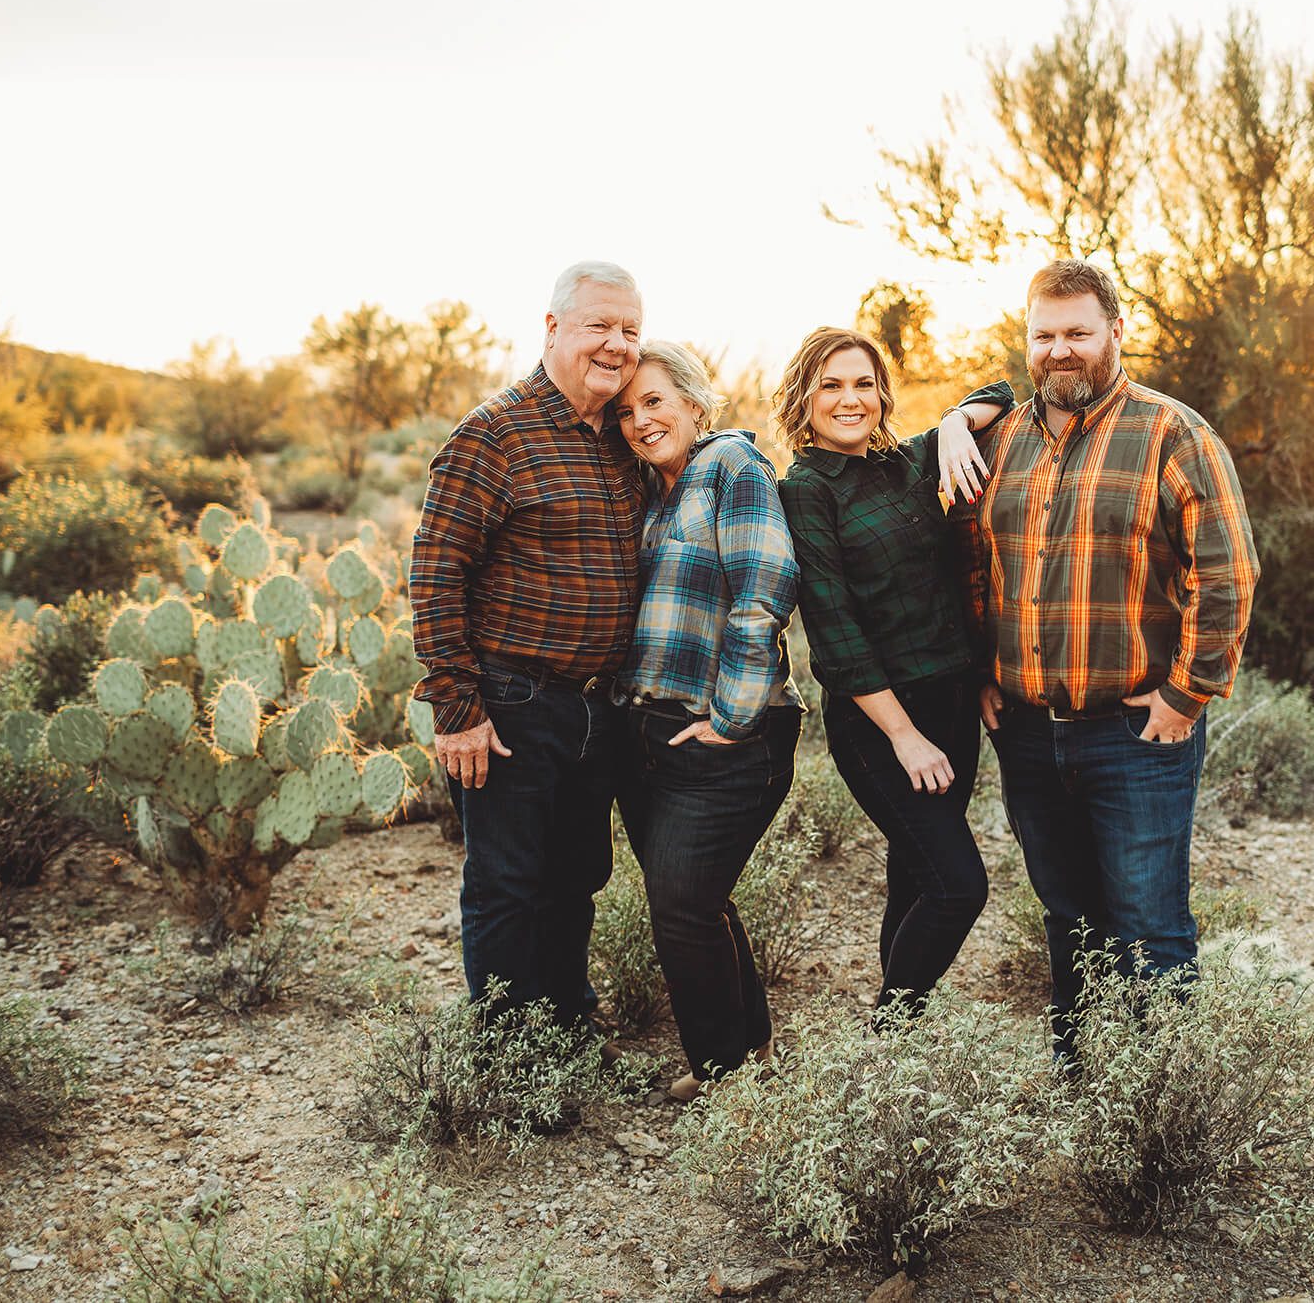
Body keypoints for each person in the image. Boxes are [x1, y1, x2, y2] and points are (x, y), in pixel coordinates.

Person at [947, 260, 1260, 1062]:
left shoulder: (1172, 433)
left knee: (1152, 927)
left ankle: (1165, 1106)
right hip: (1025, 730)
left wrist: (1186, 696)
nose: (1060, 351)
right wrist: (985, 669)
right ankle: (1079, 1077)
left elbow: (1224, 574)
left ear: (1116, 333)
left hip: (1137, 732)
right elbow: (975, 567)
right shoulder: (1001, 438)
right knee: (1066, 918)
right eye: (1044, 335)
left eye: (1078, 333)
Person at [408, 260, 644, 1037]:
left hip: (596, 705)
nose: (616, 344)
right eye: (598, 327)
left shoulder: (624, 437)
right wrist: (457, 708)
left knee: (576, 878)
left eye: (630, 331)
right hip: (510, 701)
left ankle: (567, 1027)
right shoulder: (495, 432)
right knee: (508, 882)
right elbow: (437, 569)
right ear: (552, 329)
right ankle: (510, 1059)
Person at [774, 327, 1007, 1020]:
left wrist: (954, 422)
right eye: (832, 385)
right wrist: (904, 735)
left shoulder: (910, 463)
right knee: (958, 886)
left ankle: (901, 1046)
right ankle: (890, 1027)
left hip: (952, 702)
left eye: (864, 383)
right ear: (804, 397)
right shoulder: (806, 489)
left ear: (882, 392)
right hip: (880, 722)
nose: (851, 399)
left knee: (915, 874)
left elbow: (1001, 391)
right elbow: (836, 631)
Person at [608, 341, 804, 1100]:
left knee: (681, 905)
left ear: (693, 400)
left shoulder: (731, 468)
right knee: (697, 899)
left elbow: (765, 586)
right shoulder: (653, 490)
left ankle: (722, 1079)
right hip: (649, 732)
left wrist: (731, 715)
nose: (640, 419)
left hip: (728, 736)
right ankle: (751, 1047)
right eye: (626, 410)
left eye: (654, 400)